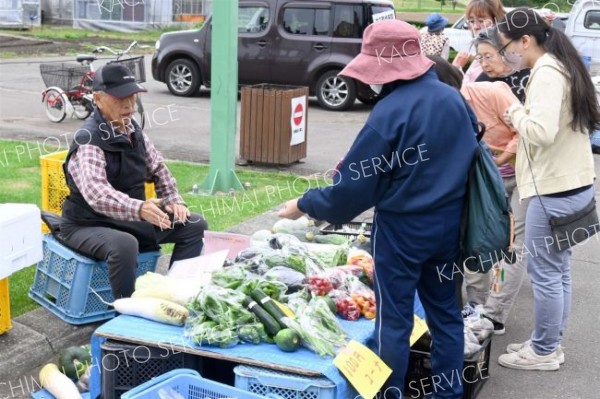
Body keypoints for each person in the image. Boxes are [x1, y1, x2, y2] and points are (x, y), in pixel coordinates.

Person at [278, 20, 478, 399]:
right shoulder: (453, 98)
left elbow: (352, 191)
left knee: (395, 320)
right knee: (446, 314)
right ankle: (449, 394)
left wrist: (304, 204)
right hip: (451, 225)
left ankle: (391, 393)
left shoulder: (390, 112)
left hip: (402, 231)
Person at [496, 8, 599, 371]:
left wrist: (513, 114)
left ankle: (542, 351)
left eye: (507, 45)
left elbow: (540, 132)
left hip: (553, 190)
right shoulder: (563, 65)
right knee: (559, 271)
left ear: (526, 40)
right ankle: (549, 343)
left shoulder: (546, 73)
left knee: (546, 274)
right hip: (574, 185)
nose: (507, 52)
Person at [59, 63, 208, 299]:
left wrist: (173, 200)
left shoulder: (132, 129)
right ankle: (126, 315)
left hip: (128, 220)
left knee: (194, 225)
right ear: (97, 99)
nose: (129, 105)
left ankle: (175, 295)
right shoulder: (89, 139)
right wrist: (140, 208)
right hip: (87, 224)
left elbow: (158, 167)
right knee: (125, 245)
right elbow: (97, 194)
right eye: (120, 98)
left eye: (132, 97)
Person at [452, 0, 506, 84]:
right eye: (472, 21)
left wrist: (456, 68)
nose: (475, 26)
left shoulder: (500, 54)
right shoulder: (481, 51)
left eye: (481, 21)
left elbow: (474, 89)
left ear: (496, 21)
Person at [473, 31, 530, 103]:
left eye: (488, 57)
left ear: (506, 52)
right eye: (480, 57)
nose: (484, 64)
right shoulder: (480, 84)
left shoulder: (531, 72)